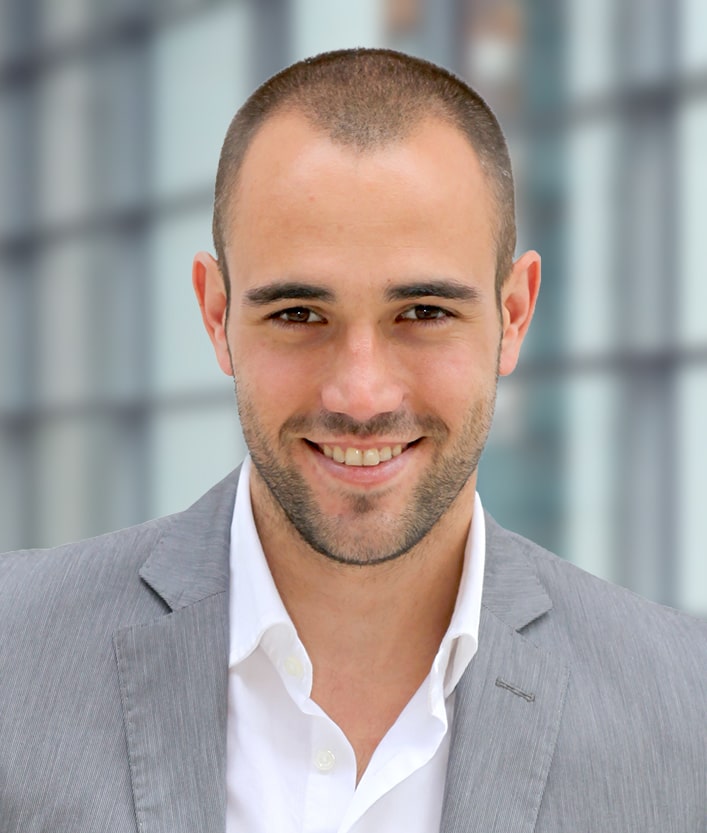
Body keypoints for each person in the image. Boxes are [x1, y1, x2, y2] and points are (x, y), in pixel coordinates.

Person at [0, 48, 705, 833]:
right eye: (298, 314)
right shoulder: (13, 656)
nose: (360, 395)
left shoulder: (685, 709)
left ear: (513, 315)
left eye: (424, 313)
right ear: (215, 314)